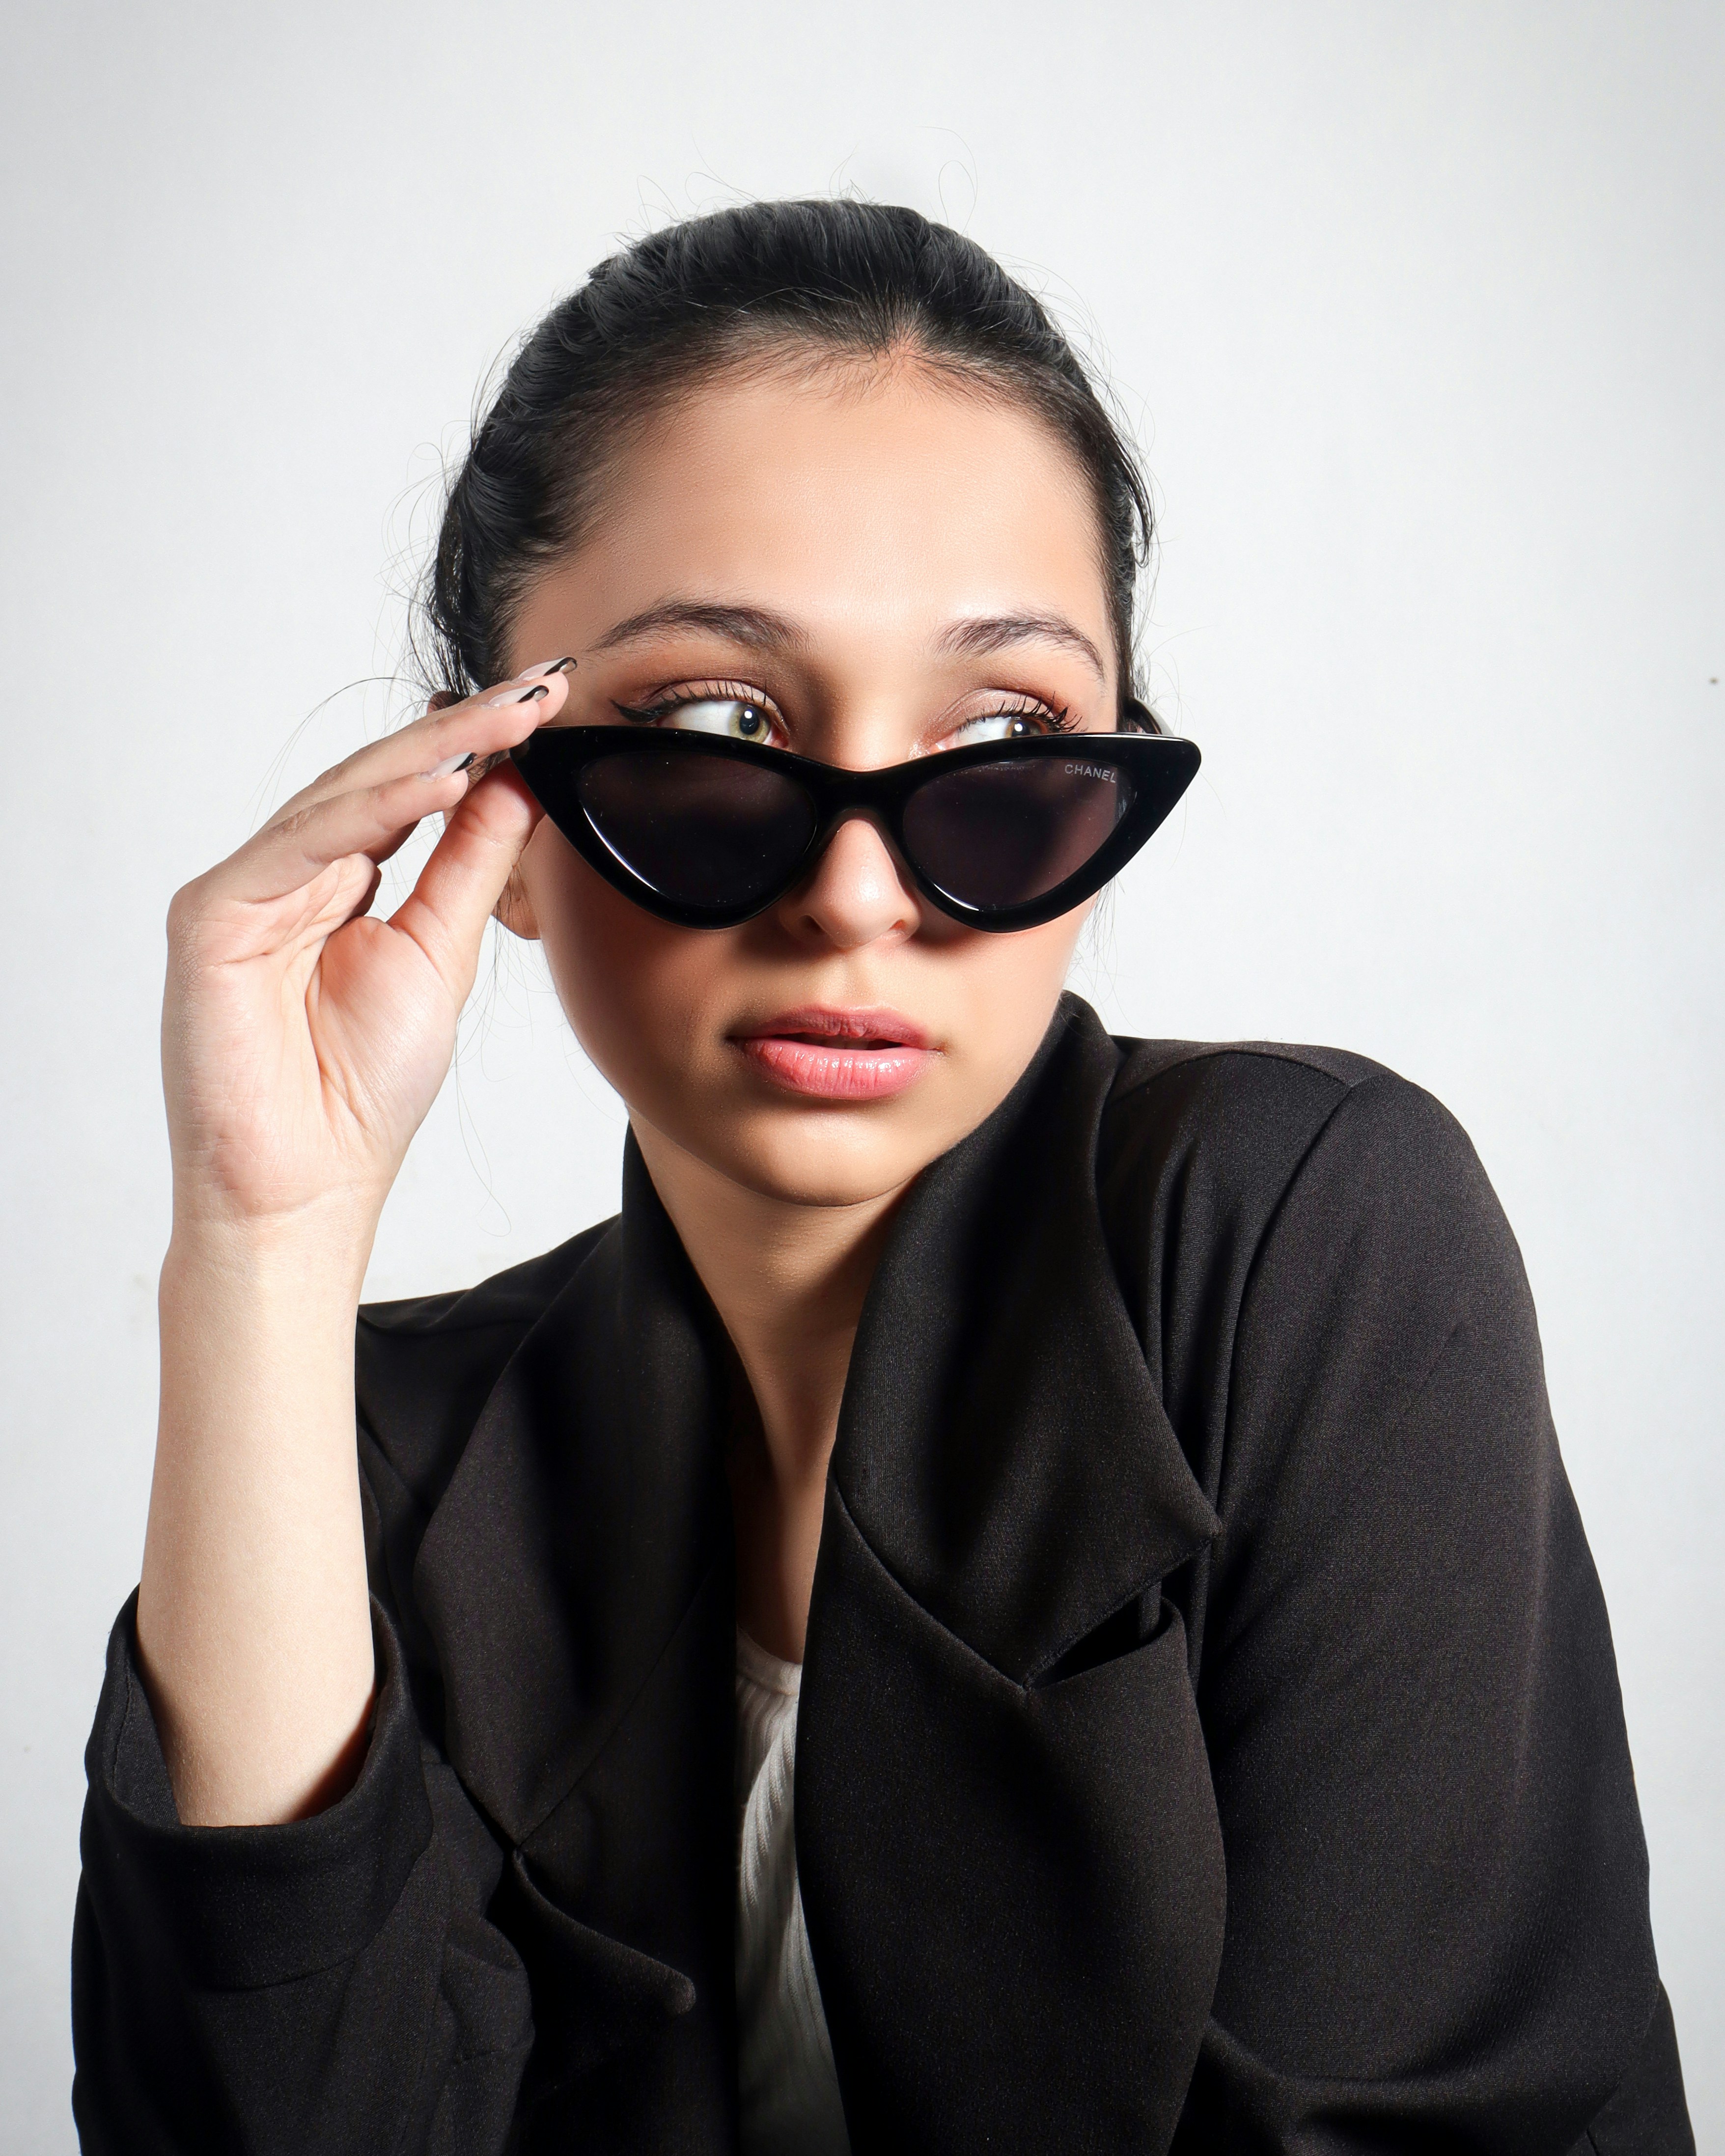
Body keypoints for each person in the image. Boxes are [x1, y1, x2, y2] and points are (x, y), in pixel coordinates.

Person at [71, 200, 1692, 2154]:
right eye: (713, 724)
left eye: (1002, 733)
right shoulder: (394, 1463)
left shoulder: (1293, 1234)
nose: (858, 891)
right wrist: (263, 1237)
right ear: (482, 790)